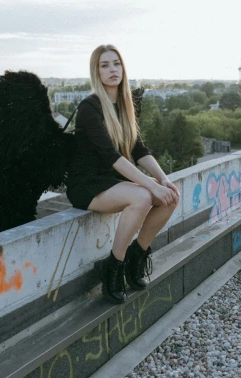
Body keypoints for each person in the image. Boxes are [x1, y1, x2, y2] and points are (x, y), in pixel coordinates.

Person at [66, 44, 180, 303]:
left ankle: (135, 257)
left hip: (114, 181)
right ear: (97, 72)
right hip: (87, 185)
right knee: (142, 197)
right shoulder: (90, 108)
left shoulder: (125, 104)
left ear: (123, 68)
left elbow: (138, 149)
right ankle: (113, 266)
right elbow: (112, 157)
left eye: (116, 63)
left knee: (172, 196)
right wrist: (151, 187)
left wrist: (163, 180)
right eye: (104, 65)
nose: (112, 69)